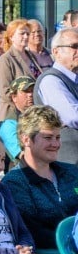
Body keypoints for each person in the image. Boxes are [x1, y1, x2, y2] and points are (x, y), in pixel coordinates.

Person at [3, 105, 78, 252]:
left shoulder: (72, 172)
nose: (56, 144)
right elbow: (33, 233)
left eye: (57, 137)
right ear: (26, 140)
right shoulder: (15, 183)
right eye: (48, 137)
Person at [34, 27, 78, 163]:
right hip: (69, 160)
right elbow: (72, 116)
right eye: (74, 46)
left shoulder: (73, 79)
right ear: (56, 52)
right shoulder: (51, 80)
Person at [0, 19, 42, 123]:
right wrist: (24, 106)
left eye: (27, 33)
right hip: (13, 115)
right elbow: (5, 91)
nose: (26, 37)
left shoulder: (32, 56)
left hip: (32, 114)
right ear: (11, 37)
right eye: (22, 33)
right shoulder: (5, 59)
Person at [0, 77, 35, 163]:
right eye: (26, 91)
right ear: (14, 97)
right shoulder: (9, 125)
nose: (30, 94)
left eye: (32, 91)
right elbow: (23, 157)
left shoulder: (39, 117)